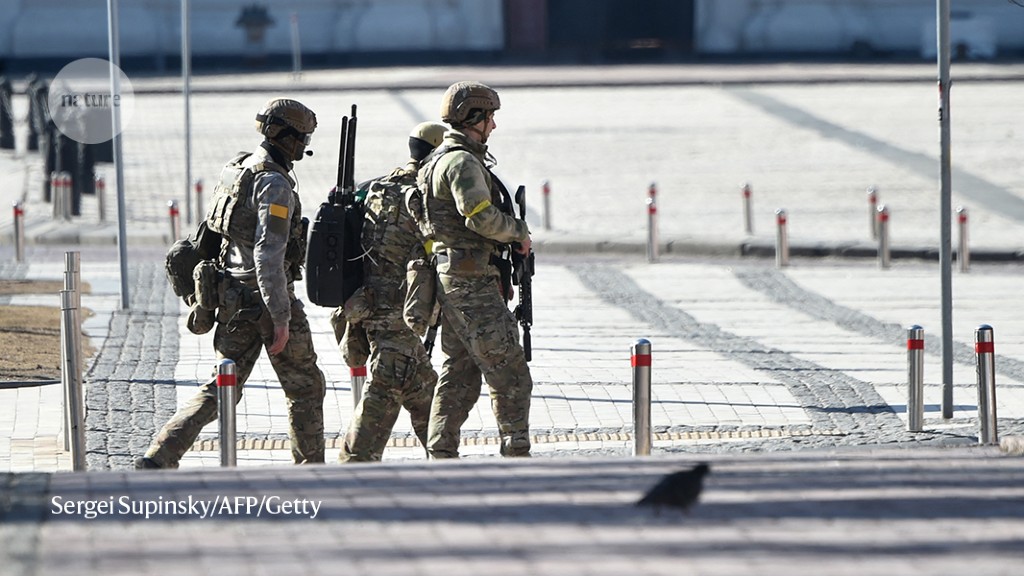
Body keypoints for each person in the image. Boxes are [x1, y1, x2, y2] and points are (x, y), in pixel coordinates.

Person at [137, 98, 326, 469]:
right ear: (286, 138)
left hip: (231, 295)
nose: (304, 145)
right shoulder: (273, 184)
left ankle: (160, 456)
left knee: (221, 388)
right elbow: (268, 254)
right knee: (306, 386)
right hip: (265, 298)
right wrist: (282, 318)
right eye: (302, 137)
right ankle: (311, 470)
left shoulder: (238, 168)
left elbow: (218, 236)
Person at [416, 81, 533, 458]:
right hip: (471, 283)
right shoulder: (462, 161)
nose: (494, 127)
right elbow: (480, 217)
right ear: (474, 118)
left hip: (451, 278)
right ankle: (516, 448)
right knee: (510, 370)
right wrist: (518, 232)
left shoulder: (438, 158)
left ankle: (440, 449)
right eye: (490, 118)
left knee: (461, 371)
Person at [329, 121, 447, 462]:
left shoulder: (377, 188)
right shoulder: (427, 195)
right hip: (400, 315)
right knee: (384, 389)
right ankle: (354, 464)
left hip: (367, 305)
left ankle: (445, 459)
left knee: (424, 389)